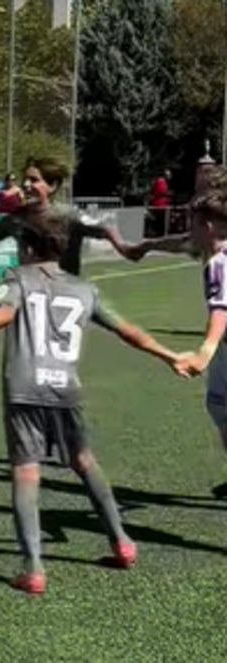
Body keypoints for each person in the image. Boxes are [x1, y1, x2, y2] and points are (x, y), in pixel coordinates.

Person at [0, 207, 186, 594]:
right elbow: (128, 330)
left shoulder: (19, 278)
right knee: (84, 461)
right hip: (65, 386)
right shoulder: (85, 289)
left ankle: (33, 568)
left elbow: (3, 313)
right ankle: (122, 541)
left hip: (24, 386)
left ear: (29, 247)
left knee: (26, 470)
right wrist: (170, 356)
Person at [0, 157, 129, 277]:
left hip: (66, 294)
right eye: (25, 179)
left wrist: (124, 246)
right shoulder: (17, 218)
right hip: (31, 293)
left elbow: (105, 228)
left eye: (34, 180)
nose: (26, 185)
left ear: (53, 186)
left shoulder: (69, 216)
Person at [172, 166, 227, 497]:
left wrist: (205, 350)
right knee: (218, 403)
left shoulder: (219, 263)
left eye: (192, 223)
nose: (188, 230)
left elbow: (222, 309)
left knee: (219, 403)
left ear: (207, 225)